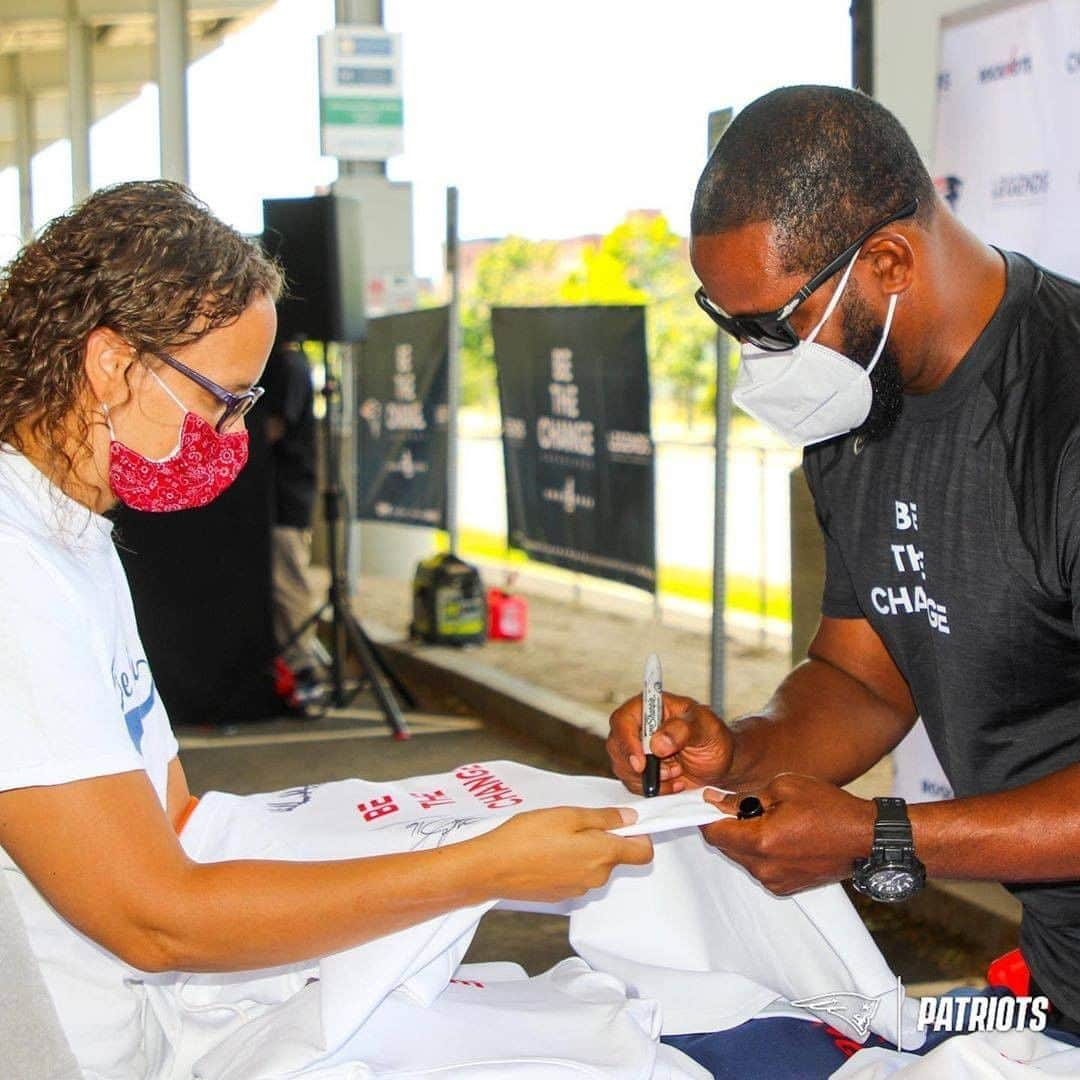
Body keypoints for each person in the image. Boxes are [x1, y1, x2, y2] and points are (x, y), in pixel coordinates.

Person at [0, 181, 652, 1077]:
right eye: (222, 398)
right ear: (113, 364)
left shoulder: (71, 530)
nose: (234, 433)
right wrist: (477, 870)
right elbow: (155, 916)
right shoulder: (15, 563)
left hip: (139, 1026)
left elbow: (176, 813)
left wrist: (433, 823)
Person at [606, 83, 1080, 1071]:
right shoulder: (857, 401)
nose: (759, 361)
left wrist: (879, 834)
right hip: (1054, 984)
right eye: (730, 325)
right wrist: (736, 756)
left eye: (775, 324)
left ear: (890, 260)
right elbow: (866, 675)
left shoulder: (1062, 416)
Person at [261, 333, 323, 689]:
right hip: (277, 493)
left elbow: (275, 425)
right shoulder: (283, 364)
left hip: (289, 493)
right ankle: (290, 662)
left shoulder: (288, 365)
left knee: (289, 582)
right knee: (279, 581)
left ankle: (303, 665)